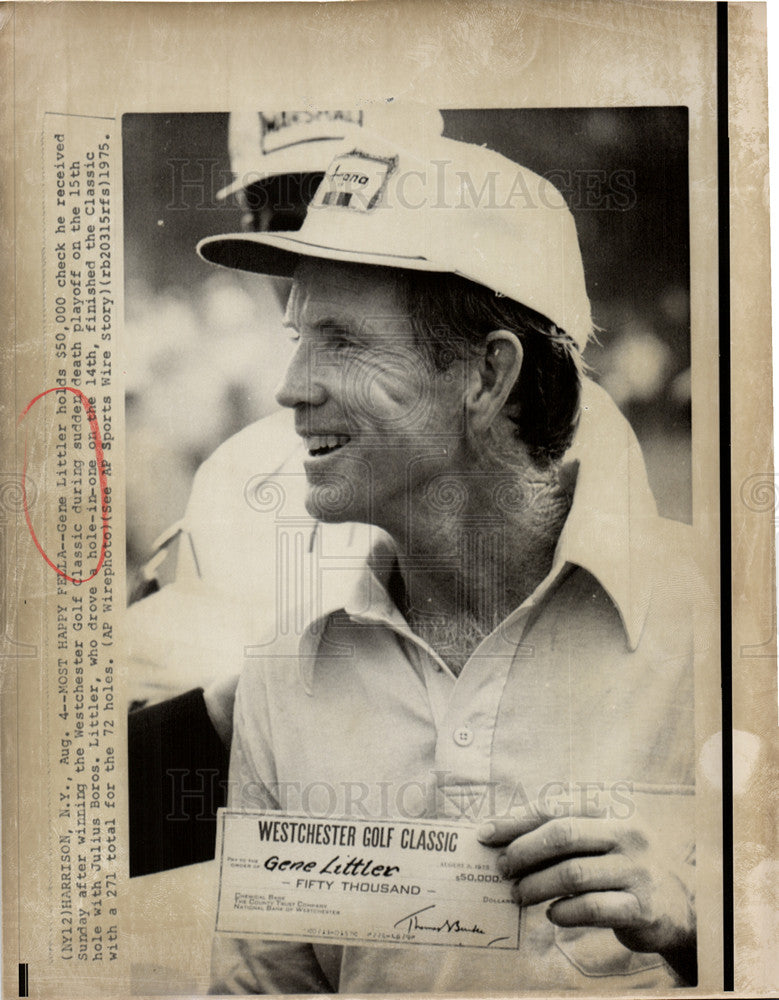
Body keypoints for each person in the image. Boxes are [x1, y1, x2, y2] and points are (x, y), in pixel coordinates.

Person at [200, 120, 706, 991]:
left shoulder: (723, 622)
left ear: (486, 376)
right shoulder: (289, 674)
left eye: (344, 342)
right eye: (297, 338)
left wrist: (703, 927)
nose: (291, 387)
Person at [128, 104, 444, 876]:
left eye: (353, 202)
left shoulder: (563, 434)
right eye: (282, 214)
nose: (308, 248)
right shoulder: (237, 473)